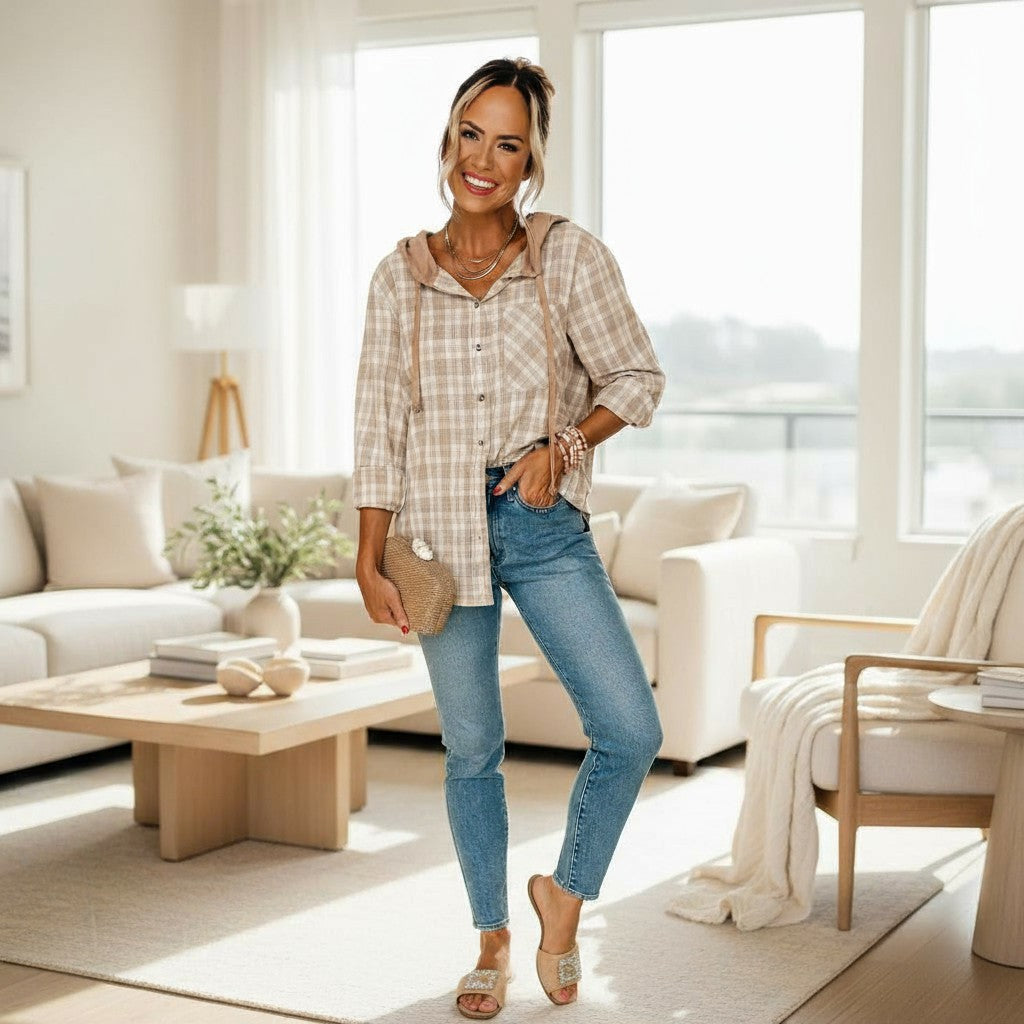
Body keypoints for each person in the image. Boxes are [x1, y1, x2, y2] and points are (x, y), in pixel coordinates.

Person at [353, 57, 665, 1020]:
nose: (483, 158)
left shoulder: (566, 255)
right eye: (470, 135)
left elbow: (636, 379)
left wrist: (562, 446)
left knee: (630, 728)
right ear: (447, 142)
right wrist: (365, 556)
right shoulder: (399, 276)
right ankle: (490, 933)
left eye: (509, 142)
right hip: (436, 539)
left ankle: (561, 896)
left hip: (540, 524)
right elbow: (378, 425)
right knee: (472, 750)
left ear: (531, 162)